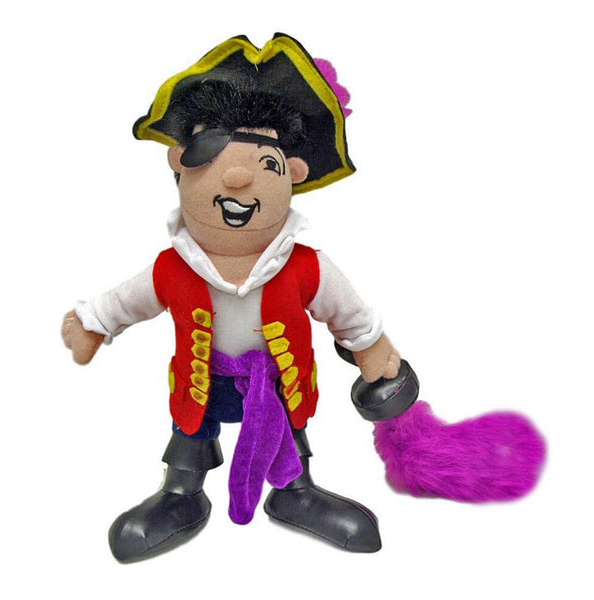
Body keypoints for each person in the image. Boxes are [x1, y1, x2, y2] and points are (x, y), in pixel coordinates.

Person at [62, 34, 400, 562]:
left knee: (289, 434)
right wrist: (93, 322)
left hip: (277, 383)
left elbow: (349, 314)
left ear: (292, 175)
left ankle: (294, 491)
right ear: (180, 167)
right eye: (213, 159)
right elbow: (126, 301)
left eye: (265, 165)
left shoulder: (306, 266)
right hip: (204, 380)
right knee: (190, 431)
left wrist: (372, 349)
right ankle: (182, 493)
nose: (239, 177)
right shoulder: (172, 267)